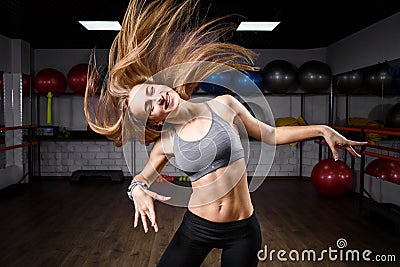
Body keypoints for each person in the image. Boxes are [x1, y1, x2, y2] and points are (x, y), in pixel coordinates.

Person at [84, 0, 367, 266]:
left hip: (243, 230)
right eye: (148, 108)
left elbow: (270, 135)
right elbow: (140, 178)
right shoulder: (165, 142)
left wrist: (321, 129)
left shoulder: (225, 105)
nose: (155, 99)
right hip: (197, 227)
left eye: (150, 91)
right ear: (154, 121)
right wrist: (137, 191)